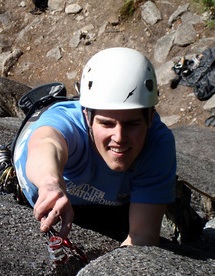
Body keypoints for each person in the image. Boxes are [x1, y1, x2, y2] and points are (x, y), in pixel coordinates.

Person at [13, 47, 177, 246]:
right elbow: (47, 143)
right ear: (86, 117)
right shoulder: (67, 122)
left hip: (108, 205)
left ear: (151, 118)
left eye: (132, 124)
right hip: (40, 187)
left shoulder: (158, 143)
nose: (119, 137)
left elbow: (142, 237)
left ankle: (162, 190)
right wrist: (49, 184)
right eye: (107, 123)